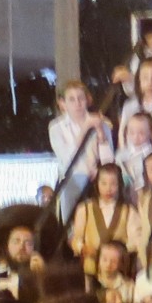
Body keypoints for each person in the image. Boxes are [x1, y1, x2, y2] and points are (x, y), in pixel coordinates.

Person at [48, 79, 114, 212]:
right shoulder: (56, 127)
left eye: (81, 98)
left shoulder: (101, 122)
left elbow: (109, 160)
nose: (77, 104)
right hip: (71, 179)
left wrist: (100, 132)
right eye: (71, 99)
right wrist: (85, 128)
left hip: (96, 179)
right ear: (62, 103)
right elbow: (67, 158)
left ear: (87, 100)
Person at [71, 162, 132, 277]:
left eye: (113, 184)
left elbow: (135, 240)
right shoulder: (84, 208)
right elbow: (76, 238)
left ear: (120, 185)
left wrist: (117, 253)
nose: (108, 188)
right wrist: (83, 247)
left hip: (118, 271)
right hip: (90, 268)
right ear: (97, 184)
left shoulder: (128, 210)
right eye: (103, 183)